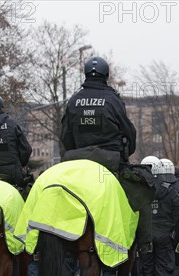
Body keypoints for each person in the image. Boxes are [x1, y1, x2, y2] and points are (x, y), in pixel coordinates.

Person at [61, 56, 154, 253]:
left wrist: (76, 152)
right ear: (106, 76)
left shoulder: (74, 100)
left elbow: (65, 135)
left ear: (86, 74)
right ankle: (144, 243)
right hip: (109, 162)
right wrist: (126, 153)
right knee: (140, 194)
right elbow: (129, 132)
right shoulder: (113, 99)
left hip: (76, 160)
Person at [139, 156, 179, 276]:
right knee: (164, 268)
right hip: (164, 236)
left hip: (145, 238)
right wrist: (174, 233)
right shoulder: (170, 191)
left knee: (147, 269)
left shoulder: (138, 192)